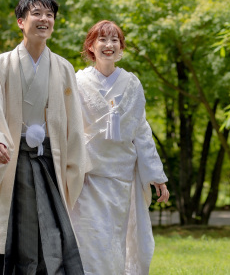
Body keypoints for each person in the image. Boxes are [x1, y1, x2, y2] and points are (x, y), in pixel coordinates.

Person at [0, 0, 86, 275]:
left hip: (50, 161)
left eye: (49, 15)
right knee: (11, 228)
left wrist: (74, 165)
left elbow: (74, 123)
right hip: (13, 158)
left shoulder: (63, 68)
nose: (44, 19)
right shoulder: (1, 65)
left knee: (51, 230)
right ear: (21, 21)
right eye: (37, 13)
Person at [70, 20, 169, 275]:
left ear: (121, 47)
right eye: (102, 39)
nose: (109, 45)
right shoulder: (77, 82)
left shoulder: (132, 84)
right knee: (91, 240)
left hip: (122, 180)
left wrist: (156, 176)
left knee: (118, 242)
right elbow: (67, 128)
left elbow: (141, 131)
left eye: (115, 40)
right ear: (91, 46)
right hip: (88, 178)